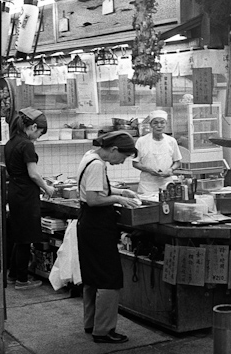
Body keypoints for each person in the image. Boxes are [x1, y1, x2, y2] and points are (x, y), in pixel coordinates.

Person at [77, 131, 140, 344]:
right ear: (113, 150)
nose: (122, 161)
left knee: (92, 276)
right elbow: (95, 199)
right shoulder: (97, 165)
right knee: (109, 279)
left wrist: (120, 191)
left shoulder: (89, 156)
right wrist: (118, 199)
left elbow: (95, 189)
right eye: (122, 157)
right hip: (97, 225)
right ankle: (103, 331)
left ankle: (91, 323)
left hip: (88, 223)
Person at [5, 107, 55, 290]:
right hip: (26, 195)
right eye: (40, 132)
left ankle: (12, 275)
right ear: (33, 127)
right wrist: (47, 187)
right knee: (26, 237)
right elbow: (33, 174)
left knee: (19, 235)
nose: (39, 136)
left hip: (15, 192)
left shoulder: (12, 142)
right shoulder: (26, 144)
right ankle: (22, 280)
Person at [132, 109, 182, 195]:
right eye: (155, 123)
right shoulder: (141, 141)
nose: (159, 125)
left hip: (166, 184)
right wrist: (149, 170)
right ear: (150, 125)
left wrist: (171, 169)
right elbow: (135, 163)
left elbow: (177, 161)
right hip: (147, 186)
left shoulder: (171, 141)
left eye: (162, 122)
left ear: (166, 124)